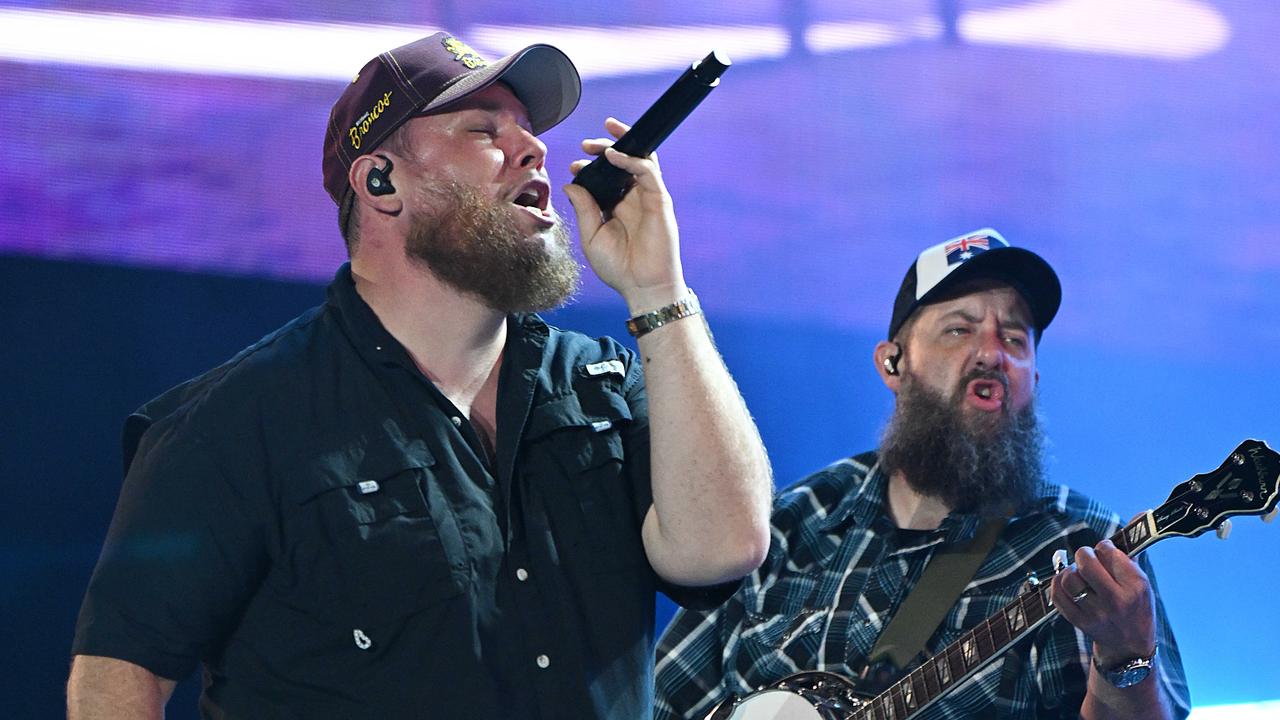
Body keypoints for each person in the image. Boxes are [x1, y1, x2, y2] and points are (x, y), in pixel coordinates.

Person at [67, 32, 773, 719]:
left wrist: (658, 292)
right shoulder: (236, 422)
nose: (533, 150)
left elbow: (724, 547)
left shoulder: (600, 382)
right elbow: (115, 677)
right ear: (381, 181)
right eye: (483, 130)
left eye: (529, 129)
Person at [654, 230, 1191, 719]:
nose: (991, 354)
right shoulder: (794, 522)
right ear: (893, 363)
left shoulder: (1078, 544)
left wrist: (1127, 656)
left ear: (1034, 376)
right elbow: (651, 702)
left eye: (1014, 339)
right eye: (959, 330)